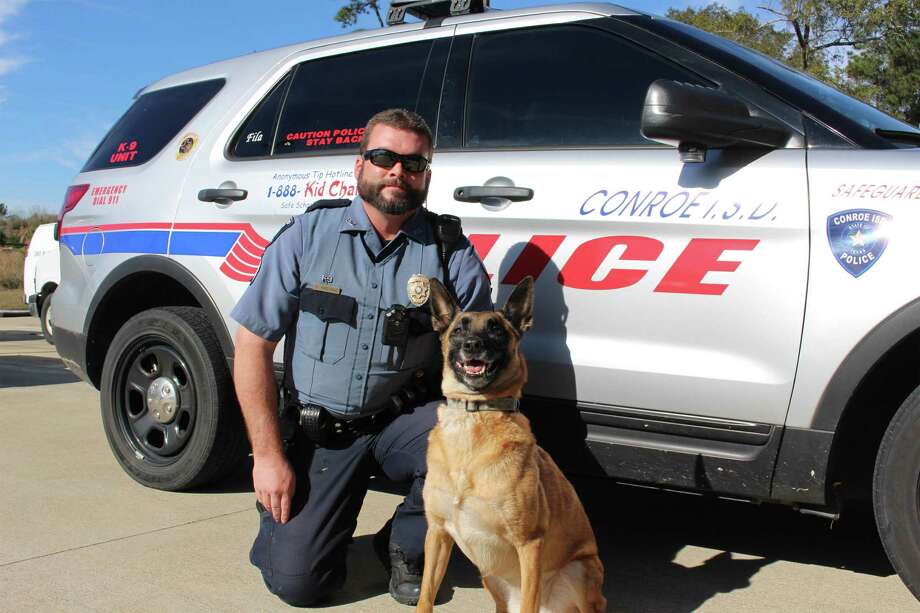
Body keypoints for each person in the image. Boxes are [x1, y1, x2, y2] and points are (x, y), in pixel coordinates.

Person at [230, 108, 492, 607]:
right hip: (321, 429)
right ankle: (284, 525)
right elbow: (252, 345)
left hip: (401, 419)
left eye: (413, 163)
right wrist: (266, 458)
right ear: (359, 166)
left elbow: (481, 351)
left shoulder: (448, 250)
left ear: (426, 175)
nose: (398, 171)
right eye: (384, 157)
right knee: (301, 585)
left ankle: (405, 545)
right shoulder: (308, 237)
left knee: (479, 438)